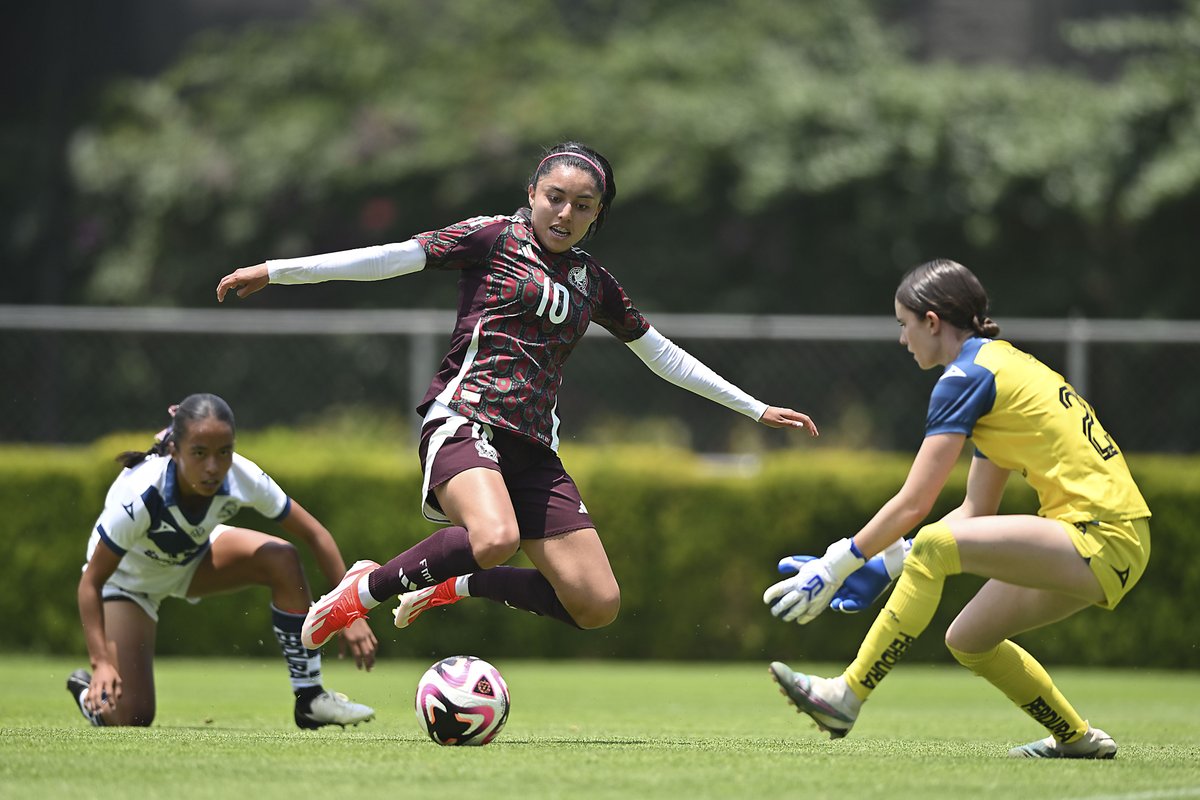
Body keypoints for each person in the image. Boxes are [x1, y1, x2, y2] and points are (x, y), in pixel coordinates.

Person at [215, 141, 819, 652]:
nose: (565, 213)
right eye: (555, 197)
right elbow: (390, 259)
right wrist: (277, 269)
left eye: (583, 206)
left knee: (596, 603)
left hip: (532, 447)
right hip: (464, 420)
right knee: (495, 539)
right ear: (532, 192)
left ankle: (454, 583)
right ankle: (362, 591)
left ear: (597, 216)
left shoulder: (595, 283)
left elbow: (661, 354)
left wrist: (755, 407)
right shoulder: (490, 237)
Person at [763, 259, 1150, 759]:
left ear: (931, 322)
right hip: (1115, 541)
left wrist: (839, 564)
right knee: (970, 639)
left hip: (1100, 535)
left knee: (932, 543)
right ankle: (1076, 738)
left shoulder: (964, 377)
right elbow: (975, 510)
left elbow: (914, 504)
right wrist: (885, 562)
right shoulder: (998, 367)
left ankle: (846, 696)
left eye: (904, 325)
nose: (903, 340)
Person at [70, 393, 378, 729]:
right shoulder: (142, 495)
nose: (213, 467)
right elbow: (91, 582)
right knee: (134, 716)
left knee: (282, 558)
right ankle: (87, 691)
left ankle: (310, 699)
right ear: (175, 451)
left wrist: (348, 613)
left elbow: (316, 535)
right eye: (199, 454)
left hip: (191, 560)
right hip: (129, 584)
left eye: (224, 452)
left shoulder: (241, 476)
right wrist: (101, 661)